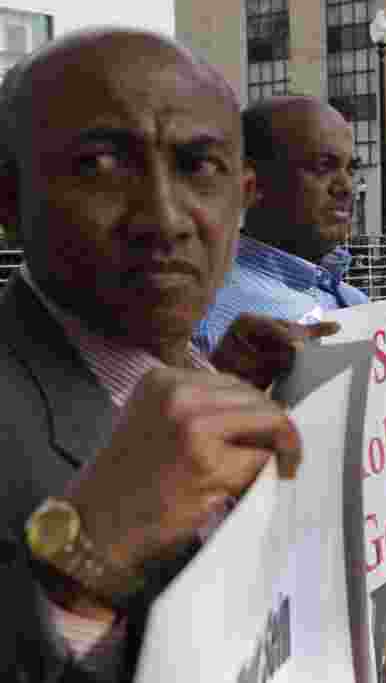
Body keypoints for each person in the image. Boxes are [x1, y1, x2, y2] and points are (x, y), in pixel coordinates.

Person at [0, 28, 321, 681]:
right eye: (99, 164)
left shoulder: (226, 375)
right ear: (8, 197)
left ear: (243, 196)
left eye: (199, 165)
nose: (165, 217)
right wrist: (81, 571)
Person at [194, 95, 368, 357]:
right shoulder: (196, 309)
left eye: (350, 169)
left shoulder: (355, 300)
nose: (346, 187)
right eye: (323, 166)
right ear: (252, 180)